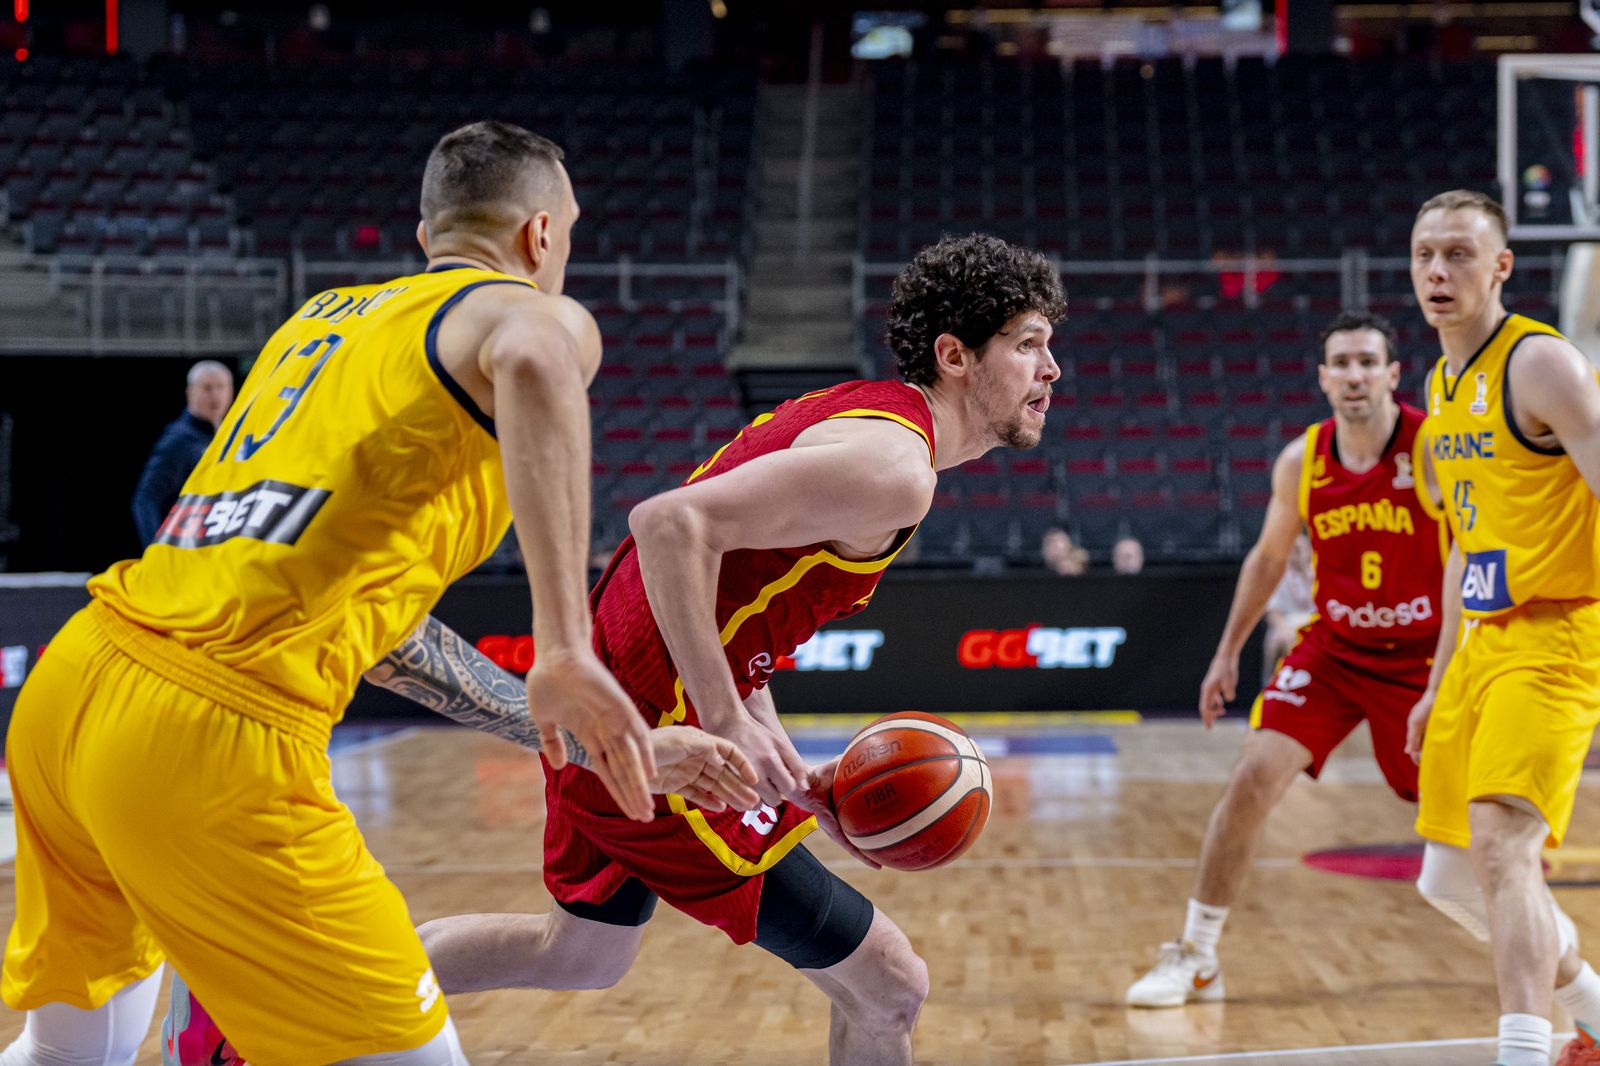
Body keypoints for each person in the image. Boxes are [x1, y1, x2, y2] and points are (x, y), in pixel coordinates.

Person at [0, 120, 679, 1066]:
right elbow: (538, 352)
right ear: (539, 236)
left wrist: (556, 729)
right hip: (208, 738)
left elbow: (378, 629)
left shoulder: (318, 324)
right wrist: (564, 643)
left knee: (64, 1055)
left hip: (75, 688)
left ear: (425, 237)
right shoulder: (525, 312)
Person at [415, 234, 1067, 1065]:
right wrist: (724, 719)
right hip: (659, 738)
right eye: (1028, 345)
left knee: (580, 954)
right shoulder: (894, 468)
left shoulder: (869, 415)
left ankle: (334, 992)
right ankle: (326, 1002)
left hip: (621, 707)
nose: (1051, 370)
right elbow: (667, 525)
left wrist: (782, 764)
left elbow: (733, 609)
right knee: (891, 985)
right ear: (955, 356)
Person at [1126, 310, 1447, 1008]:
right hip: (1336, 650)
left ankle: (1548, 955)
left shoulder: (1432, 448)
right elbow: (1269, 559)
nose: (1355, 375)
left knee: (1466, 822)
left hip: (1424, 658)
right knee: (1252, 776)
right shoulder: (1304, 459)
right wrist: (1226, 654)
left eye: (1369, 362)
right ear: (1324, 377)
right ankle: (1197, 954)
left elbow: (1471, 555)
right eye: (1343, 363)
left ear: (1393, 374)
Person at [1404, 190, 1600, 1066]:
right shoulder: (1441, 385)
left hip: (1560, 634)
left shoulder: (1541, 363)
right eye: (1424, 255)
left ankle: (1521, 1051)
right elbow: (1464, 549)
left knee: (1501, 842)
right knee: (1449, 878)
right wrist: (1438, 681)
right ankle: (1594, 1010)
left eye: (1458, 254)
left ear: (1501, 267)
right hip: (1483, 644)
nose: (1438, 272)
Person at [130, 361, 234, 545]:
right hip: (187, 547)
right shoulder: (179, 440)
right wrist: (157, 549)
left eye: (221, 387)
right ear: (190, 392)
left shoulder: (229, 435)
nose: (215, 395)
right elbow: (145, 499)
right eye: (207, 388)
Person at [1262, 533, 1314, 681]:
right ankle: (1274, 684)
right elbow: (1273, 613)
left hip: (1314, 625)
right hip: (1287, 625)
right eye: (1292, 550)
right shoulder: (1278, 575)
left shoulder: (1319, 573)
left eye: (1299, 550)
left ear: (1309, 550)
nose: (1296, 555)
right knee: (1278, 640)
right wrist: (1285, 630)